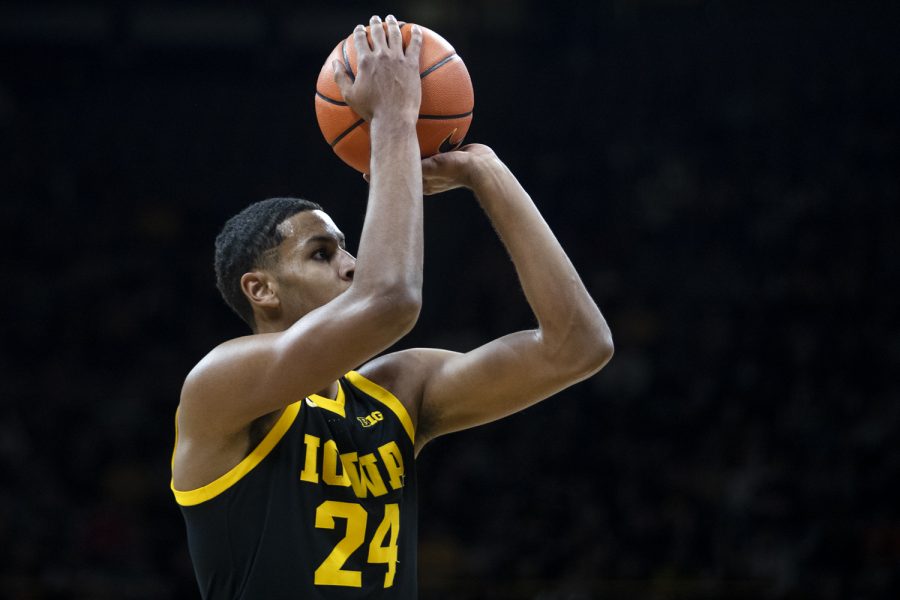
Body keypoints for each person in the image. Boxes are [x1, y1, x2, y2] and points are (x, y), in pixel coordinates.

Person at [171, 14, 613, 599]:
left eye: (349, 248)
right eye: (322, 253)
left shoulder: (395, 393)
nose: (351, 264)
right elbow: (391, 299)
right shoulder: (220, 387)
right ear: (261, 290)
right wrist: (395, 118)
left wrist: (487, 172)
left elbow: (579, 346)